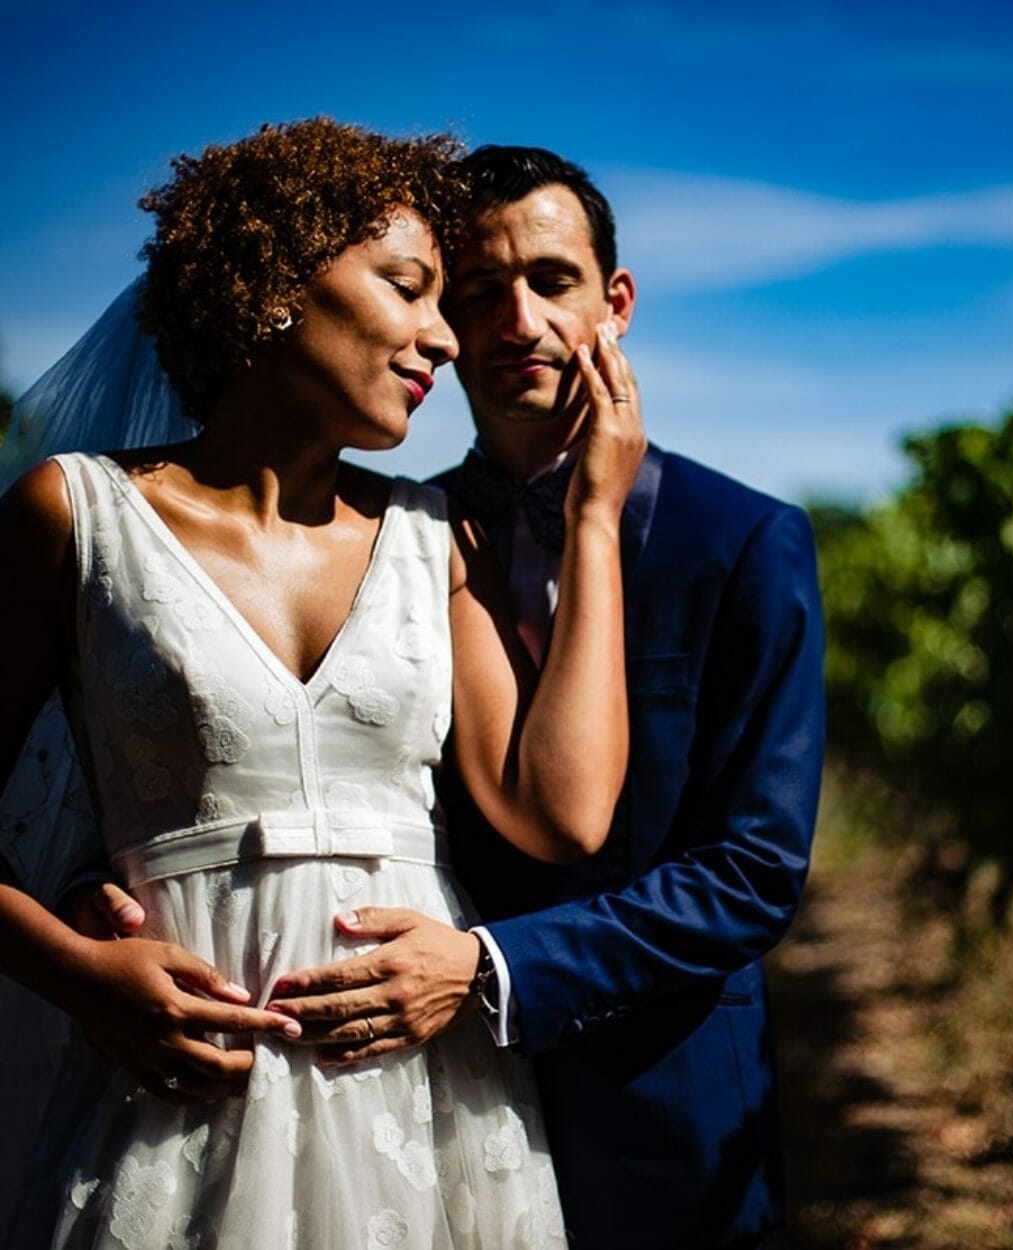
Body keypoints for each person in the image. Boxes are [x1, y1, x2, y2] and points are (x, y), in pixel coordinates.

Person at [0, 119, 645, 1249]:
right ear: (274, 284)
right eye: (410, 288)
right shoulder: (76, 513)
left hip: (422, 1091)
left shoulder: (429, 536)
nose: (446, 339)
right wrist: (80, 976)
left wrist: (594, 514)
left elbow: (561, 809)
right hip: (180, 1080)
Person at [259, 146, 827, 1249]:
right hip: (406, 1105)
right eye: (478, 291)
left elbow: (756, 872)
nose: (517, 320)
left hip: (659, 1103)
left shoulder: (746, 540)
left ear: (615, 303)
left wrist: (492, 968)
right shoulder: (386, 531)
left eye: (553, 281)